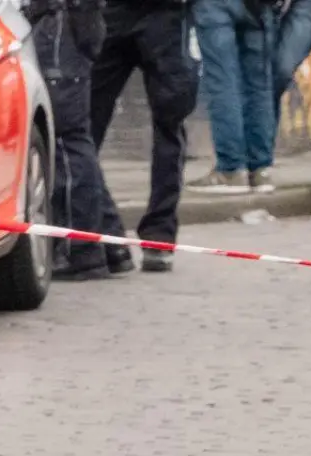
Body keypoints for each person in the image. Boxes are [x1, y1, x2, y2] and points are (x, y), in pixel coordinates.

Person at [90, 0, 199, 273]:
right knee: (81, 132)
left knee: (169, 124)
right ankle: (114, 235)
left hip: (162, 14)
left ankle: (153, 236)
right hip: (117, 14)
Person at [23, 0, 115, 280]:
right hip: (63, 20)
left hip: (61, 19)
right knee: (72, 138)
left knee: (66, 138)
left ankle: (81, 249)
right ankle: (110, 242)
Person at [187, 0, 281, 193]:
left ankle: (231, 169)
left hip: (214, 5)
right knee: (259, 85)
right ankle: (260, 169)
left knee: (222, 81)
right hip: (258, 7)